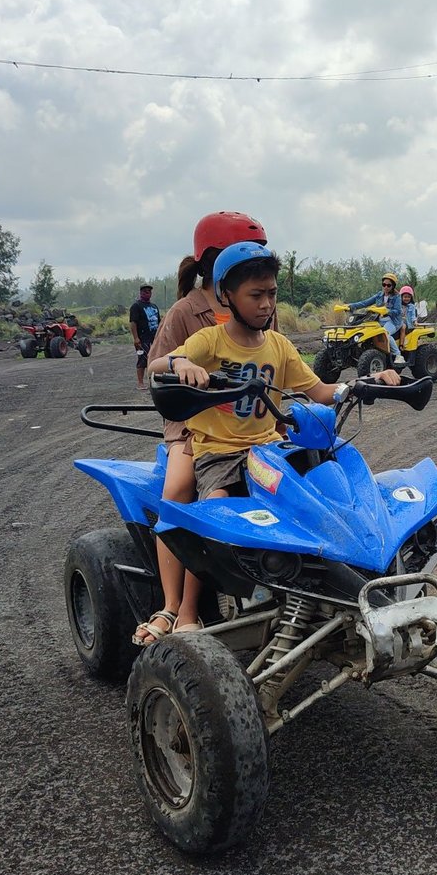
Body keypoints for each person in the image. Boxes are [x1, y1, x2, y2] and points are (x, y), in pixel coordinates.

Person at [148, 242, 400, 629]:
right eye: (256, 295)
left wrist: (363, 381)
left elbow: (318, 390)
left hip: (268, 451)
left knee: (321, 499)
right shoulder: (211, 341)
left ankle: (317, 587)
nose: (266, 304)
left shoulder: (279, 346)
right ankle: (186, 612)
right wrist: (181, 363)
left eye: (272, 294)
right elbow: (159, 365)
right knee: (213, 510)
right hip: (219, 452)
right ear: (226, 295)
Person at [132, 212, 269, 644]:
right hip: (194, 425)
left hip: (252, 424)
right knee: (179, 491)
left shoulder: (260, 301)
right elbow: (156, 370)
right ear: (214, 261)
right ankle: (178, 608)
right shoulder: (185, 311)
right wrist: (181, 365)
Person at [348, 272, 403, 363]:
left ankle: (398, 355)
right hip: (379, 320)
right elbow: (365, 303)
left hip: (393, 321)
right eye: (384, 284)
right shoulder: (379, 295)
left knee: (385, 333)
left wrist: (387, 311)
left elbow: (398, 311)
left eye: (388, 285)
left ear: (393, 286)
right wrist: (350, 306)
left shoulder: (397, 297)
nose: (386, 287)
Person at [129, 284, 161, 390]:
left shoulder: (154, 307)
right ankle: (140, 383)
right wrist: (136, 338)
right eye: (145, 291)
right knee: (142, 360)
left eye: (149, 291)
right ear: (141, 293)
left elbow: (159, 322)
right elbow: (133, 323)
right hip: (142, 338)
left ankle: (152, 381)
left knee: (154, 360)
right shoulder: (136, 306)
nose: (148, 293)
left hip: (154, 338)